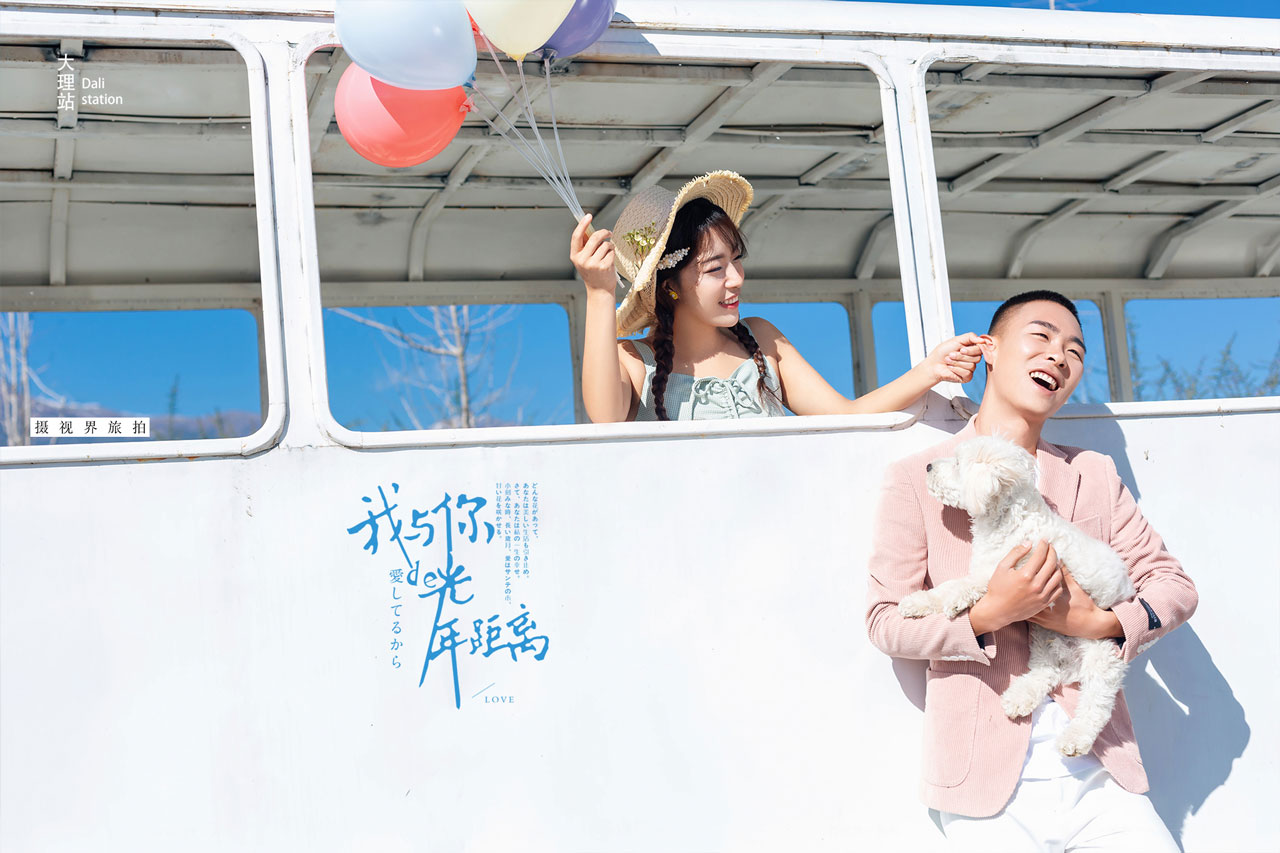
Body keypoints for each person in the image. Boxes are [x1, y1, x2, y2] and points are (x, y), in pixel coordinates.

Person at [865, 289, 1198, 851]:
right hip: (982, 782)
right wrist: (989, 613)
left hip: (1101, 768)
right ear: (990, 349)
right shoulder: (918, 476)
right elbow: (884, 621)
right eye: (1041, 336)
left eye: (1075, 351)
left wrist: (1098, 623)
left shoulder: (1093, 473)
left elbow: (1173, 585)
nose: (1058, 357)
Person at [568, 170, 982, 422]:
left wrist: (931, 369)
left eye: (737, 260)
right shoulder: (633, 360)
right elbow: (604, 416)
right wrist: (599, 292)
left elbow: (845, 415)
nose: (736, 278)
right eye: (715, 268)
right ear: (669, 285)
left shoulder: (762, 340)